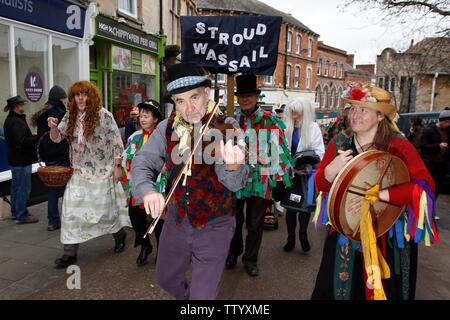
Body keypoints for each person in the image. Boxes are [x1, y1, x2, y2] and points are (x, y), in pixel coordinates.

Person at [130, 62, 248, 300]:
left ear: (207, 93)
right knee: (165, 279)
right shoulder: (166, 127)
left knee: (202, 297)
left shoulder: (227, 128)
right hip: (177, 221)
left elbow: (234, 184)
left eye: (194, 97)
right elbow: (142, 162)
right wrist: (148, 191)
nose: (189, 107)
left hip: (215, 224)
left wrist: (234, 167)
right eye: (180, 101)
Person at [311, 84, 439, 300]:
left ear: (380, 116)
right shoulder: (339, 143)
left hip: (387, 234)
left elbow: (425, 188)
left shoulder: (398, 145)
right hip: (346, 233)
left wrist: (380, 196)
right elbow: (320, 186)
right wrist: (329, 172)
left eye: (363, 109)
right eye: (352, 108)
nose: (355, 115)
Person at [48, 80, 131, 268]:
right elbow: (57, 139)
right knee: (70, 212)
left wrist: (117, 167)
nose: (81, 98)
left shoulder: (104, 115)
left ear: (91, 96)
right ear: (73, 98)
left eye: (84, 94)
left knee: (105, 212)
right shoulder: (70, 116)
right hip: (79, 172)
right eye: (77, 95)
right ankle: (69, 253)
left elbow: (117, 142)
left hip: (102, 171)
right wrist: (53, 127)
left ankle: (119, 234)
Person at [225, 74, 293, 277]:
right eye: (242, 96)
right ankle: (233, 253)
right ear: (238, 99)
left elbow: (281, 150)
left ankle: (250, 259)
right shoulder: (231, 121)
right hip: (235, 179)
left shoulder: (270, 120)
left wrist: (281, 179)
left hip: (261, 179)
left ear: (256, 97)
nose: (245, 99)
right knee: (233, 221)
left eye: (249, 96)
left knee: (255, 223)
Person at [121, 99, 164, 266]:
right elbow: (126, 158)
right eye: (141, 116)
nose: (143, 119)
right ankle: (145, 245)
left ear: (155, 119)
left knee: (159, 221)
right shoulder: (134, 137)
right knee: (136, 218)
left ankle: (163, 251)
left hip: (159, 186)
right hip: (139, 186)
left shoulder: (162, 138)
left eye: (147, 116)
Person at [282, 97, 324, 253]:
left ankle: (303, 234)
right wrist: (290, 169)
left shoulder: (313, 128)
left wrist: (307, 167)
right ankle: (290, 237)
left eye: (298, 113)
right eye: (293, 113)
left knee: (305, 208)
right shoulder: (285, 127)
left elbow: (320, 152)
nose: (295, 117)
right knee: (290, 207)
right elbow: (279, 150)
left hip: (307, 175)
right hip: (290, 174)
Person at [31, 85, 69, 231]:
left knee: (53, 190)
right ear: (60, 98)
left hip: (48, 157)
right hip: (62, 154)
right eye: (64, 98)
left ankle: (52, 221)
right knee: (68, 188)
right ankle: (68, 218)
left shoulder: (42, 113)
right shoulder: (60, 112)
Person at [3, 95, 39, 224]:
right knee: (23, 188)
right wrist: (36, 136)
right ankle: (21, 215)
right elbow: (22, 141)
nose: (24, 106)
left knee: (16, 187)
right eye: (22, 104)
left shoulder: (11, 120)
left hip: (15, 159)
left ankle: (15, 212)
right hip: (21, 160)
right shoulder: (16, 122)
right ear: (16, 107)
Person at [420, 109, 450, 219]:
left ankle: (431, 210)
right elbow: (424, 146)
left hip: (442, 164)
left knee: (438, 187)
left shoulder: (448, 131)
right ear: (441, 121)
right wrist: (438, 145)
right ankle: (424, 209)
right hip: (430, 164)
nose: (448, 124)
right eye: (446, 122)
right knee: (430, 187)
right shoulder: (429, 130)